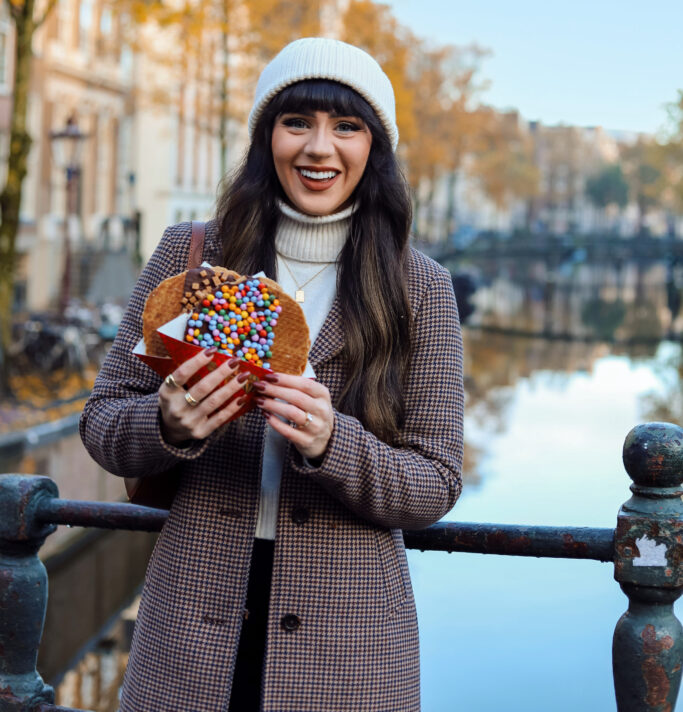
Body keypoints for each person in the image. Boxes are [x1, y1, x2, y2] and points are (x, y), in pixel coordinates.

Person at [80, 36, 464, 712]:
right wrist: (164, 422)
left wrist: (331, 442)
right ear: (267, 139)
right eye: (297, 123)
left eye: (346, 126)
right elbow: (103, 423)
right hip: (187, 635)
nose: (319, 148)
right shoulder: (192, 254)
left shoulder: (419, 287)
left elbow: (435, 480)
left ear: (374, 148)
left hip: (348, 648)